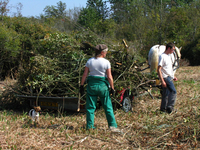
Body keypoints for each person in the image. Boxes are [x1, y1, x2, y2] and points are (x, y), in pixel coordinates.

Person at [80, 44, 118, 131]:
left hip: (92, 86)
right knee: (107, 106)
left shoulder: (89, 61)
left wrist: (81, 86)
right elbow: (109, 77)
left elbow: (85, 74)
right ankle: (112, 126)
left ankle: (89, 126)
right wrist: (112, 88)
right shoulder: (106, 62)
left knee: (90, 108)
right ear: (102, 52)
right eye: (106, 52)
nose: (106, 54)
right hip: (103, 87)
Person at [157, 42, 178, 114]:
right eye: (173, 50)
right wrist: (162, 81)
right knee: (173, 91)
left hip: (169, 77)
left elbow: (168, 69)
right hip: (165, 77)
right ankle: (170, 107)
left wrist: (173, 76)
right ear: (169, 48)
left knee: (165, 94)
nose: (173, 51)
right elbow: (159, 69)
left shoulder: (168, 56)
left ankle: (163, 109)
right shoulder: (162, 56)